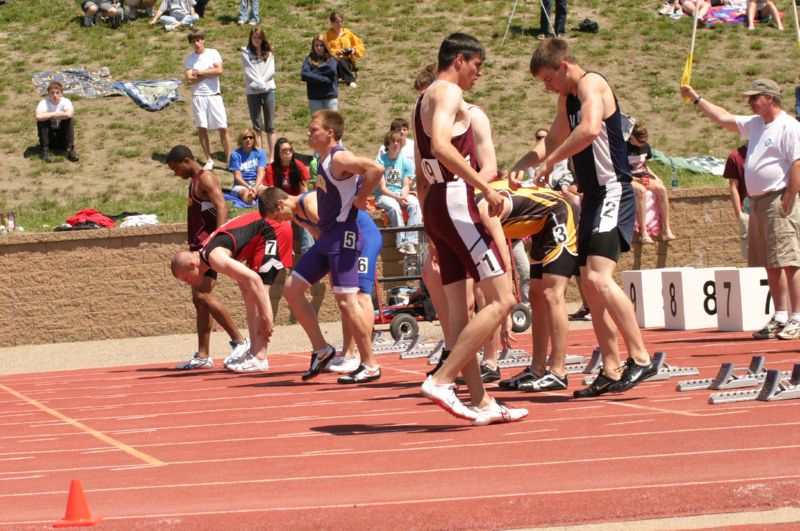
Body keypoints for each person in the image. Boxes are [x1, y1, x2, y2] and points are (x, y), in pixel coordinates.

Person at [513, 38, 658, 398]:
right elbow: (553, 140)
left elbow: (590, 128)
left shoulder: (592, 83)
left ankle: (639, 357)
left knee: (597, 277)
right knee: (589, 286)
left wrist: (552, 161)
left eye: (548, 80)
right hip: (592, 197)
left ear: (563, 66)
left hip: (613, 191)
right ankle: (611, 366)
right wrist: (522, 163)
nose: (548, 88)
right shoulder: (567, 98)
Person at [414, 33, 527, 425]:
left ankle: (480, 402)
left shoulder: (423, 99)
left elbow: (421, 169)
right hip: (456, 200)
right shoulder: (446, 93)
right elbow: (444, 148)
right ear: (459, 59)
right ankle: (443, 379)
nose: (479, 74)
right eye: (477, 66)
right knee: (503, 299)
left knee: (459, 316)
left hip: (437, 205)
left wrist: (431, 226)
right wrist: (483, 188)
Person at [680, 79, 800, 340]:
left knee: (789, 261)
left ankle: (797, 317)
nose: (749, 101)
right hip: (758, 202)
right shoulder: (756, 124)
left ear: (769, 97)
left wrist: (788, 199)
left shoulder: (789, 126)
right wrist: (696, 97)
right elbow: (723, 118)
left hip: (777, 199)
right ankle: (780, 316)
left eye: (754, 97)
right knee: (770, 262)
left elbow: (797, 164)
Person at [280, 110, 383, 384]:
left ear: (330, 133)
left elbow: (376, 168)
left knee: (347, 302)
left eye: (313, 129)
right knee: (293, 288)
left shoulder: (338, 156)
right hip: (327, 237)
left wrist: (361, 199)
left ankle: (369, 363)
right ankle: (323, 348)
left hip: (343, 235)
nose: (308, 133)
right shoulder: (324, 160)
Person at [260, 187, 382, 375]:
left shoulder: (311, 204)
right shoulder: (297, 216)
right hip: (333, 242)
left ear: (280, 203)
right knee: (292, 289)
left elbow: (340, 232)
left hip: (361, 238)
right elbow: (321, 237)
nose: (279, 221)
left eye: (276, 217)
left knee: (357, 296)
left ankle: (354, 354)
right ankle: (322, 349)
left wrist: (337, 269)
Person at [475, 181, 578, 393]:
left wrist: (507, 315)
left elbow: (504, 264)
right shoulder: (465, 216)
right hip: (539, 224)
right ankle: (537, 368)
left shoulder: (483, 210)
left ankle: (558, 371)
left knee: (551, 294)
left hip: (556, 212)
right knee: (536, 295)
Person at [170, 208, 293, 372]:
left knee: (258, 288)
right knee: (248, 290)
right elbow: (246, 282)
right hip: (261, 235)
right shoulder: (207, 253)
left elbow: (255, 280)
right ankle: (254, 351)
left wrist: (266, 317)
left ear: (193, 266)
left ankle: (260, 357)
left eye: (186, 279)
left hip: (273, 230)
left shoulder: (215, 258)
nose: (189, 284)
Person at [164, 145, 250, 369]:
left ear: (186, 160)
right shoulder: (194, 182)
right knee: (199, 301)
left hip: (208, 247)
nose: (176, 174)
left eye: (176, 168)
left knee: (202, 296)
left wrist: (216, 240)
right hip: (199, 246)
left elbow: (222, 206)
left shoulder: (206, 178)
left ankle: (240, 341)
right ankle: (203, 355)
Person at [184, 29, 232, 171]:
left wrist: (199, 72)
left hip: (214, 95)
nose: (197, 43)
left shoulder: (213, 53)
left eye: (198, 40)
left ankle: (229, 159)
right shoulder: (189, 59)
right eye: (193, 41)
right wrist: (208, 72)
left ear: (203, 40)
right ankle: (209, 159)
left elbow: (218, 71)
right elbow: (190, 80)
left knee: (222, 127)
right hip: (198, 96)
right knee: (202, 128)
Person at [626, 122, 676, 243]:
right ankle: (644, 232)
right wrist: (637, 180)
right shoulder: (623, 147)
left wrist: (655, 177)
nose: (643, 144)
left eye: (645, 141)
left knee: (662, 190)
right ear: (632, 137)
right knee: (642, 191)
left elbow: (644, 165)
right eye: (641, 141)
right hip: (628, 177)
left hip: (643, 176)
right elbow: (620, 171)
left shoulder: (645, 147)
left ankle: (666, 229)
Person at [375, 130, 421, 255]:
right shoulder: (380, 162)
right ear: (387, 144)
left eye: (399, 142)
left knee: (415, 204)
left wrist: (403, 196)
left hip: (400, 194)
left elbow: (406, 185)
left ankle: (411, 241)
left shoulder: (406, 162)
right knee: (394, 207)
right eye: (393, 141)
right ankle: (402, 242)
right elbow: (383, 189)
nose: (396, 144)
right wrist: (398, 198)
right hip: (384, 196)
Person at [266, 138, 314, 254]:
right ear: (278, 152)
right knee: (283, 224)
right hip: (280, 204)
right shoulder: (271, 169)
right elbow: (272, 193)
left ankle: (309, 253)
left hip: (297, 202)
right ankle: (288, 254)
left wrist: (302, 206)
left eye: (290, 150)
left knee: (305, 220)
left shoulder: (299, 165)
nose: (288, 152)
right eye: (284, 150)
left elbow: (304, 190)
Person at [241, 27, 276, 158]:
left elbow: (271, 70)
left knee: (270, 125)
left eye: (259, 37)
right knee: (257, 126)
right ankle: (260, 155)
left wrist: (262, 83)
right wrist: (259, 83)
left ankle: (272, 157)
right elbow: (249, 70)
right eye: (255, 37)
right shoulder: (245, 52)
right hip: (253, 91)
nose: (257, 40)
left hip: (268, 90)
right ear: (251, 38)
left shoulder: (269, 52)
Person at [35, 81, 78, 163]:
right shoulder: (43, 103)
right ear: (48, 94)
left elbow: (69, 114)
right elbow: (38, 116)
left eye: (57, 92)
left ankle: (70, 150)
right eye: (52, 93)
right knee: (42, 120)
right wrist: (55, 114)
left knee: (69, 119)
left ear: (61, 93)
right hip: (49, 138)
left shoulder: (66, 101)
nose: (55, 95)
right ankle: (45, 151)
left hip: (63, 138)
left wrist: (49, 115)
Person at [324, 11, 364, 88]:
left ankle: (351, 80)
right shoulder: (327, 35)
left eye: (341, 21)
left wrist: (353, 50)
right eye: (336, 22)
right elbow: (325, 51)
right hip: (333, 62)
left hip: (347, 61)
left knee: (341, 61)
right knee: (336, 63)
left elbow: (359, 45)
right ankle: (336, 78)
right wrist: (337, 52)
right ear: (332, 23)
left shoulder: (347, 33)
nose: (339, 24)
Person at [723, 143, 750, 259]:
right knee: (751, 257)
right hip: (748, 212)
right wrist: (739, 215)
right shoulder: (735, 156)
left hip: (771, 210)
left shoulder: (773, 151)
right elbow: (733, 187)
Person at [301, 35, 339, 114]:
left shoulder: (331, 58)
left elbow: (331, 69)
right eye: (316, 45)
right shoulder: (308, 59)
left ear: (325, 46)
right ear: (313, 46)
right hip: (315, 98)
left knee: (332, 124)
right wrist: (324, 79)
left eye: (321, 45)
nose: (319, 48)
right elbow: (304, 74)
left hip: (330, 97)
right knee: (318, 125)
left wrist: (312, 74)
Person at [228, 128, 267, 205]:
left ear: (254, 139)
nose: (248, 140)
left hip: (257, 184)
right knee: (246, 194)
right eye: (245, 138)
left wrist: (255, 187)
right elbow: (237, 177)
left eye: (250, 137)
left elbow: (261, 173)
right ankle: (252, 203)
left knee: (267, 193)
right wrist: (249, 187)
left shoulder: (261, 153)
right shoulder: (235, 155)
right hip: (241, 185)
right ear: (241, 140)